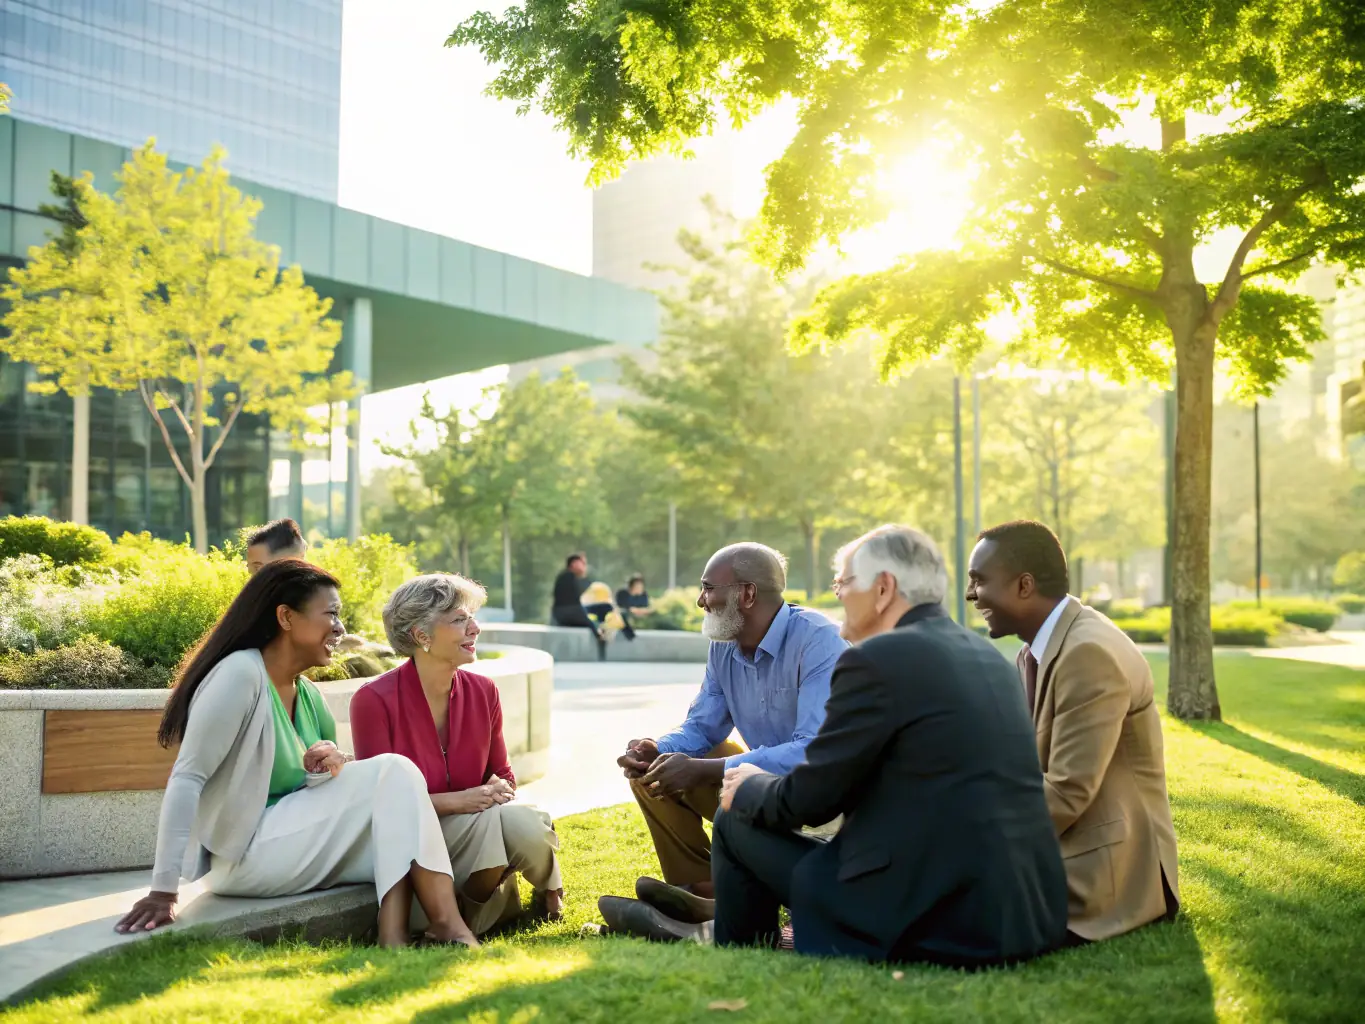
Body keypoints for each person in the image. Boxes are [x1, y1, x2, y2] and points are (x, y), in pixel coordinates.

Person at [674, 525, 1070, 966]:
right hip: (1023, 915)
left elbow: (811, 800)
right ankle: (727, 924)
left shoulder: (874, 661)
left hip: (933, 922)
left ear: (883, 589)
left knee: (735, 818)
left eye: (844, 582)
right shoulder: (985, 658)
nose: (838, 595)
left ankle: (739, 950)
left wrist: (745, 784)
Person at [114, 560, 478, 949]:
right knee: (397, 770)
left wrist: (332, 764)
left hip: (290, 846)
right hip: (244, 857)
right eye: (331, 614)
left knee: (399, 820)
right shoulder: (240, 674)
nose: (340, 628)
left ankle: (396, 939)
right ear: (286, 617)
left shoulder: (308, 695)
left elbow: (322, 794)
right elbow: (188, 777)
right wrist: (163, 891)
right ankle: (449, 928)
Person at [599, 542, 846, 938]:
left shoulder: (820, 642)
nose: (700, 600)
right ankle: (706, 895)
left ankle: (717, 913)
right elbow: (702, 726)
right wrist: (658, 748)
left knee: (703, 764)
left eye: (708, 587)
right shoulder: (723, 645)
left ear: (746, 594)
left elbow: (813, 751)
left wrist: (707, 768)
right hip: (763, 787)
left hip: (825, 799)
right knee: (655, 772)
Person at [966, 520, 1180, 943]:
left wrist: (971, 835)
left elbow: (1066, 793)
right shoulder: (1037, 649)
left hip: (1105, 874)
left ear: (1024, 585)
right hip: (1069, 847)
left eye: (979, 582)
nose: (972, 595)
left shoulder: (1088, 653)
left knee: (948, 897)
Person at [350, 573, 563, 935]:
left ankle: (462, 919)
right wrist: (463, 800)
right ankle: (503, 908)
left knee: (523, 823)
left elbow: (503, 774)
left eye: (472, 617)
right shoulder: (372, 701)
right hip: (418, 845)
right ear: (422, 636)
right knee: (520, 824)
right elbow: (381, 804)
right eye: (460, 620)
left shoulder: (484, 691)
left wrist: (498, 790)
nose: (475, 628)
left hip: (480, 827)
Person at [551, 553, 614, 646]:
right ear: (574, 564)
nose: (585, 566)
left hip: (567, 611)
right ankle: (600, 636)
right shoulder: (568, 577)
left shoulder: (568, 577)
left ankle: (600, 629)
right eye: (582, 563)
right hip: (567, 612)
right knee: (591, 622)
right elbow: (575, 603)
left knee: (605, 607)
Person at [615, 573, 653, 640]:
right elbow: (622, 608)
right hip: (624, 617)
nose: (640, 588)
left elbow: (646, 609)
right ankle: (630, 635)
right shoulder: (622, 593)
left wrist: (638, 611)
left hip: (640, 618)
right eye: (637, 586)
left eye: (641, 586)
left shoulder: (644, 595)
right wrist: (633, 610)